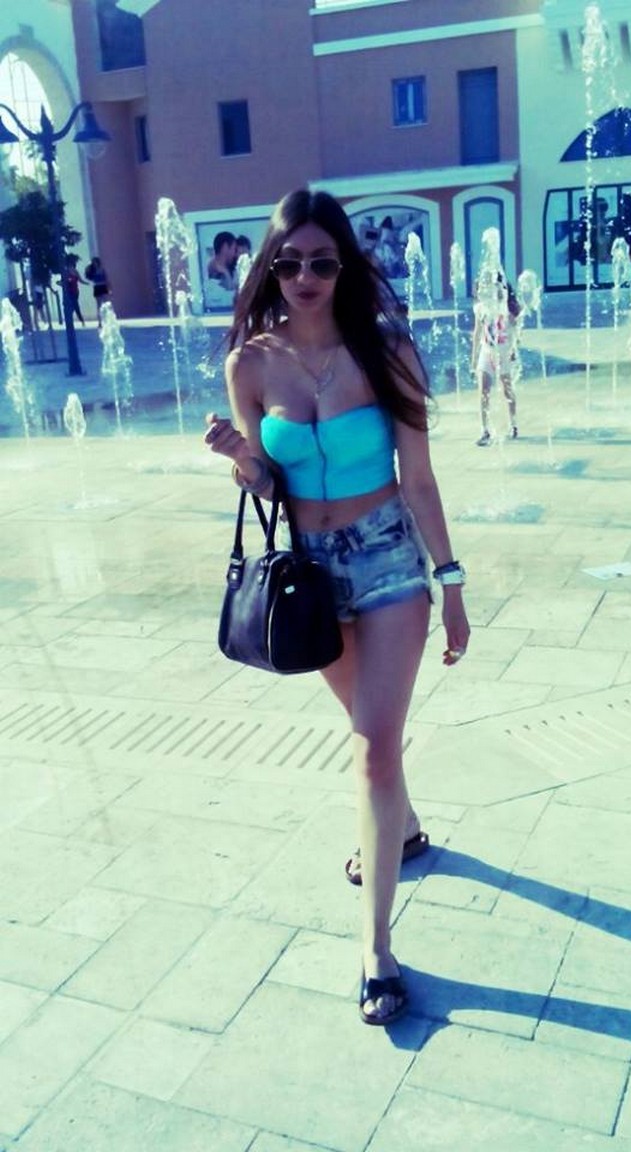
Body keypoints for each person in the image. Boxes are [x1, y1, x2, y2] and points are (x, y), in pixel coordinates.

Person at [204, 189, 470, 1026]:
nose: (306, 275)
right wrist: (242, 457)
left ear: (345, 264)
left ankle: (375, 950)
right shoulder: (250, 365)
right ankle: (405, 829)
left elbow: (419, 478)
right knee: (370, 731)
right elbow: (265, 484)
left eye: (323, 260)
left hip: (389, 559)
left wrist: (452, 582)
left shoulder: (388, 351)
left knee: (372, 752)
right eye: (290, 262)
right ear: (271, 269)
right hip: (310, 577)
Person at [471, 270, 521, 445]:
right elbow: (477, 333)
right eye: (484, 284)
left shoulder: (506, 307)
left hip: (503, 352)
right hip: (486, 352)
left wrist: (514, 349)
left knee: (507, 389)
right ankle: (484, 430)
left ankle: (513, 424)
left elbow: (515, 329)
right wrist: (474, 358)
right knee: (483, 391)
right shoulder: (480, 308)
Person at [85, 256, 110, 326]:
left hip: (103, 287)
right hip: (97, 287)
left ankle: (106, 320)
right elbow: (89, 277)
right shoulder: (92, 270)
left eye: (95, 262)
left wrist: (109, 289)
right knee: (99, 306)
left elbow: (107, 279)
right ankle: (100, 322)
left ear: (98, 262)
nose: (94, 263)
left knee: (105, 305)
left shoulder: (102, 269)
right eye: (93, 262)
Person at [64, 254, 88, 325]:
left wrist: (86, 283)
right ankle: (79, 320)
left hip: (75, 292)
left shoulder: (75, 271)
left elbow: (80, 280)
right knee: (74, 306)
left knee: (74, 306)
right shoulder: (66, 272)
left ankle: (73, 320)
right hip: (69, 292)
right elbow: (64, 281)